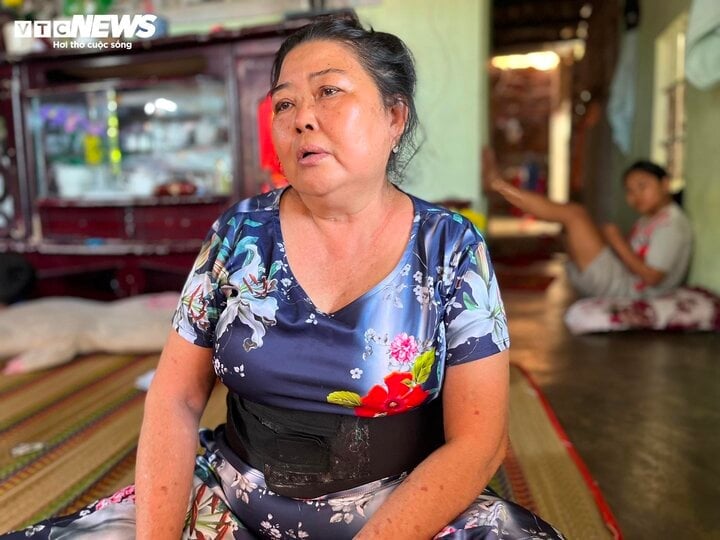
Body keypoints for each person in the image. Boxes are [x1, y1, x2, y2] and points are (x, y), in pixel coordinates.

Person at [2, 15, 563, 540]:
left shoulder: (450, 246)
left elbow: (479, 441)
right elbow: (174, 396)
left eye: (329, 91)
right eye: (284, 103)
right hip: (232, 495)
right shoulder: (240, 234)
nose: (302, 117)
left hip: (399, 511)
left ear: (395, 117)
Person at [483, 149, 692, 299]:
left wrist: (617, 242)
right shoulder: (653, 218)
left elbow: (652, 277)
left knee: (574, 214)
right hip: (622, 277)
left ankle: (497, 184)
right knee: (569, 225)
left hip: (630, 291)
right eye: (630, 191)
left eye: (642, 186)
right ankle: (498, 184)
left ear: (665, 184)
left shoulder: (672, 225)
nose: (635, 196)